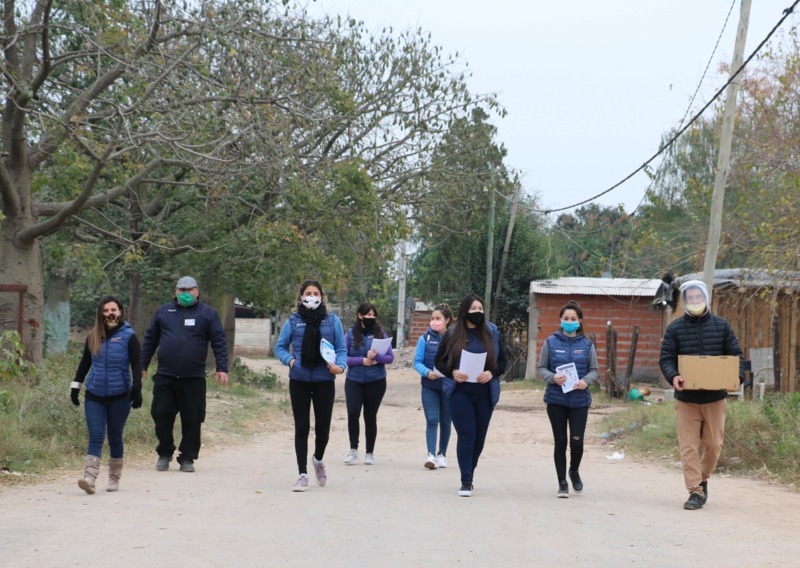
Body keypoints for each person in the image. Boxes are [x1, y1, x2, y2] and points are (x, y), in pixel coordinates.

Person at [659, 280, 744, 510]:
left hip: (715, 398)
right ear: (685, 301)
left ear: (706, 298)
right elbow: (666, 358)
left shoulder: (722, 326)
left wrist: (736, 378)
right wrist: (673, 376)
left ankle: (703, 478)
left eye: (698, 297)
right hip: (686, 399)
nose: (695, 301)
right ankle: (695, 492)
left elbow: (736, 355)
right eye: (690, 298)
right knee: (689, 447)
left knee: (714, 445)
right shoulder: (675, 328)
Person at [141, 276, 229, 473]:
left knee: (193, 419)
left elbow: (219, 341)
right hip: (166, 376)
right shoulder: (164, 312)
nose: (186, 293)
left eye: (190, 290)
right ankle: (165, 452)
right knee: (161, 414)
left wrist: (222, 368)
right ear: (176, 292)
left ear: (197, 292)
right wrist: (142, 365)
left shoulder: (207, 314)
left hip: (193, 378)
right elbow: (150, 340)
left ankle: (187, 457)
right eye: (182, 290)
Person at [274, 280, 347, 491]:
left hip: (325, 380)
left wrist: (340, 367)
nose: (312, 297)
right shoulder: (293, 321)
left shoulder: (332, 321)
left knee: (323, 429)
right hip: (299, 380)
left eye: (316, 293)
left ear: (322, 297)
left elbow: (341, 349)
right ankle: (302, 474)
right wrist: (290, 361)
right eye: (308, 293)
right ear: (301, 297)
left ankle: (318, 459)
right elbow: (280, 347)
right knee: (302, 427)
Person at [435, 294, 506, 497]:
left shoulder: (492, 332)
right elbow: (439, 361)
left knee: (479, 437)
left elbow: (503, 361)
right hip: (459, 392)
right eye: (473, 308)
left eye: (480, 309)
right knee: (467, 434)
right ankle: (466, 480)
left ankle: (470, 472)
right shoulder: (452, 333)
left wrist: (492, 373)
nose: (478, 312)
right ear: (465, 310)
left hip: (484, 393)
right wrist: (453, 372)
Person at [71, 296, 143, 494]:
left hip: (120, 395)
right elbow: (85, 363)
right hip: (94, 395)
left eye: (113, 310)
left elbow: (137, 364)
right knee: (95, 436)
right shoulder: (93, 336)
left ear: (120, 312)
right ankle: (89, 478)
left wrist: (137, 389)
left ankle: (114, 477)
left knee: (114, 437)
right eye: (105, 310)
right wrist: (75, 387)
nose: (110, 313)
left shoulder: (129, 336)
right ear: (100, 314)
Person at [537, 301, 599, 498]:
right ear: (560, 320)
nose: (569, 322)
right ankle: (562, 483)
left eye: (573, 319)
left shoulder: (587, 345)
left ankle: (574, 470)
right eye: (566, 319)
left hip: (579, 401)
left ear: (580, 321)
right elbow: (541, 368)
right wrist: (553, 377)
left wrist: (586, 381)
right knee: (560, 442)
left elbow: (594, 370)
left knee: (577, 442)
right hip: (556, 400)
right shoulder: (550, 342)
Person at [343, 302, 394, 466]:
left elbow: (390, 358)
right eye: (368, 314)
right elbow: (342, 356)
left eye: (373, 315)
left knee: (370, 416)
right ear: (360, 315)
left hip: (376, 381)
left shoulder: (380, 333)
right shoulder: (351, 333)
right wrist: (361, 360)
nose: (371, 317)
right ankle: (353, 449)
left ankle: (369, 452)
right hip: (354, 380)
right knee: (353, 412)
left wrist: (376, 357)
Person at [413, 303, 454, 469]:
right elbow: (417, 361)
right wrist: (426, 372)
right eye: (432, 318)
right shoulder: (425, 338)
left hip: (448, 386)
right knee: (432, 420)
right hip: (429, 385)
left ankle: (442, 454)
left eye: (438, 318)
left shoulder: (455, 338)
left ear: (447, 320)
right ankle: (431, 455)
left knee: (446, 421)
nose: (434, 321)